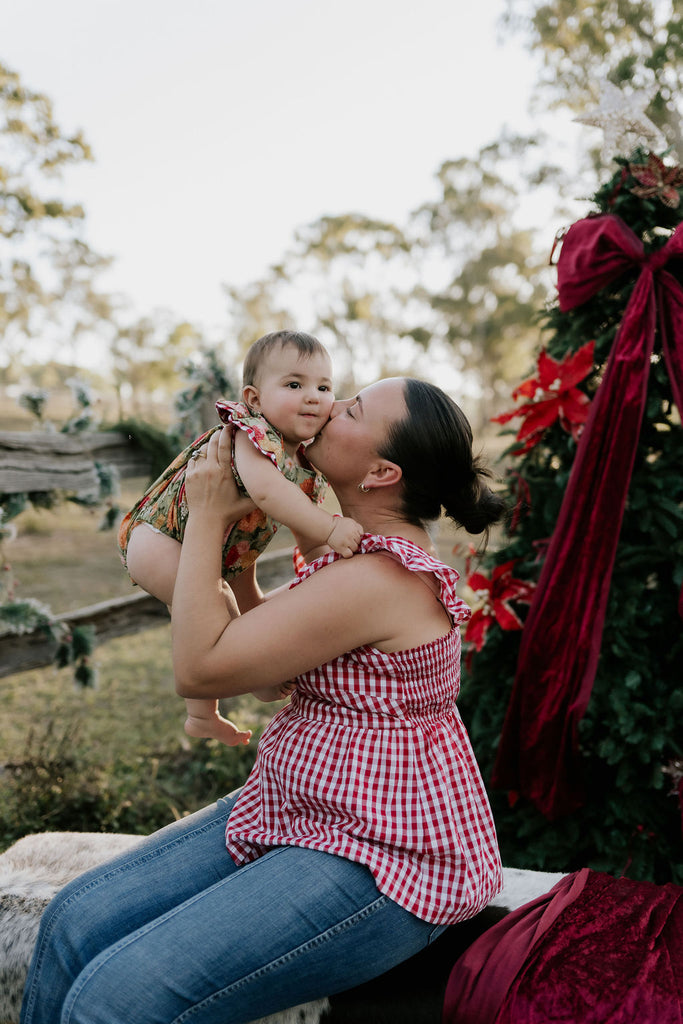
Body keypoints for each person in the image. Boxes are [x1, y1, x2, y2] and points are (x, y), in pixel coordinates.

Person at [22, 376, 507, 1024]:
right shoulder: (356, 556)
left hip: (385, 858)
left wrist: (206, 516)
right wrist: (242, 568)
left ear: (382, 470)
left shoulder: (379, 580)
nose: (327, 407)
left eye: (351, 409)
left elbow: (200, 669)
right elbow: (262, 675)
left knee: (113, 1000)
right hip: (304, 807)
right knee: (69, 925)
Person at [117, 330, 363, 744]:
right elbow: (268, 492)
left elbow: (309, 538)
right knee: (213, 603)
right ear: (254, 398)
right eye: (294, 384)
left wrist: (332, 564)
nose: (313, 396)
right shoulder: (251, 434)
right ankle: (249, 680)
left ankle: (204, 714)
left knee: (252, 605)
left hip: (229, 552)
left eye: (324, 387)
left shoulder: (304, 463)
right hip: (160, 537)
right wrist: (331, 525)